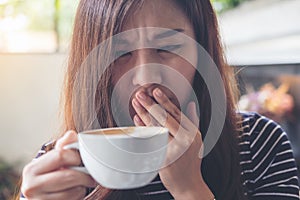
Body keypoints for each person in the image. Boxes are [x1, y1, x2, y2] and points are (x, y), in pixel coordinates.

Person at [19, 0, 299, 199]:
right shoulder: (64, 165)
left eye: (167, 47)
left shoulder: (259, 143)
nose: (145, 76)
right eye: (120, 54)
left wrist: (190, 188)